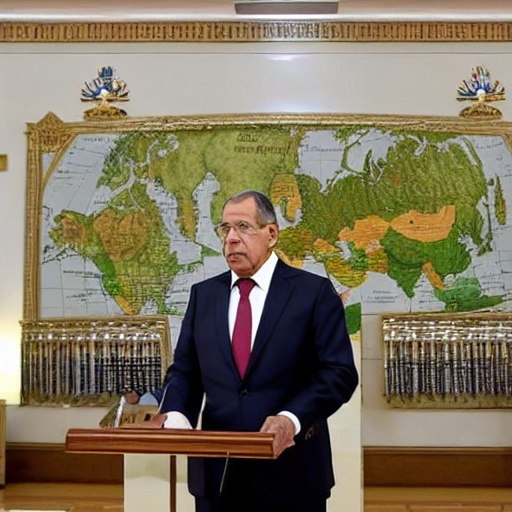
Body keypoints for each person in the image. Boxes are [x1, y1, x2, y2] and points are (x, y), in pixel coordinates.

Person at [157, 189, 358, 512]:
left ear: (271, 234)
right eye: (225, 229)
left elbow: (339, 373)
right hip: (217, 478)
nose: (231, 238)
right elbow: (186, 372)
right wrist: (177, 415)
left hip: (292, 476)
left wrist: (291, 419)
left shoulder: (313, 293)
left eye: (243, 227)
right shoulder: (204, 296)